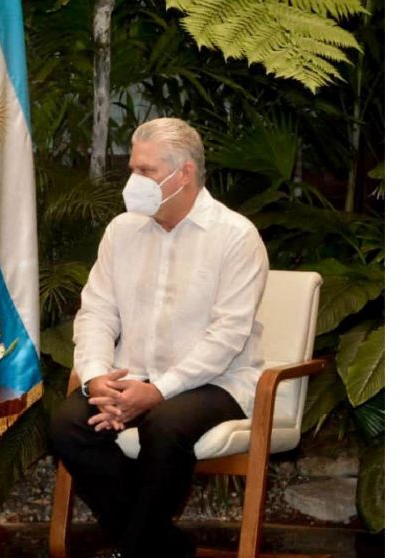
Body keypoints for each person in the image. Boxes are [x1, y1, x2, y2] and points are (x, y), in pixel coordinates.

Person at [49, 118, 269, 558]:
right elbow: (96, 311)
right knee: (67, 426)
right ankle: (160, 544)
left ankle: (133, 547)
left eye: (146, 171)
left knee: (165, 425)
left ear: (184, 173)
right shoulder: (122, 230)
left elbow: (226, 336)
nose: (134, 180)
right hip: (131, 372)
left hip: (215, 381)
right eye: (133, 168)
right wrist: (95, 379)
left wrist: (158, 391)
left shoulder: (235, 236)